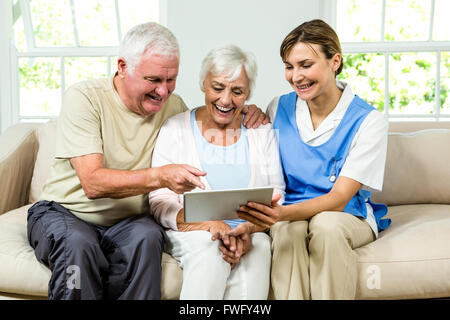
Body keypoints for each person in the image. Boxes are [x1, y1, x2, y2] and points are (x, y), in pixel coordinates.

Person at [26, 22, 268, 300]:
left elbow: (212, 113)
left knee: (148, 237)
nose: (163, 91)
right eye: (153, 80)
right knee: (78, 246)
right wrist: (161, 175)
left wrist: (248, 111)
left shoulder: (172, 107)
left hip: (130, 221)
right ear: (122, 66)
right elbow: (92, 182)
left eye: (171, 80)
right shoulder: (85, 98)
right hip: (66, 213)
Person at [236, 19, 391, 300]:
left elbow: (339, 199)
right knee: (287, 233)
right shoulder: (278, 107)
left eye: (306, 65)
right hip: (289, 214)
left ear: (335, 61)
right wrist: (251, 114)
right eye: (289, 66)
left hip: (345, 215)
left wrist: (278, 214)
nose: (296, 76)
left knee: (326, 226)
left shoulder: (369, 121)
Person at [149, 44, 285, 300]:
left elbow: (277, 192)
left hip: (246, 231)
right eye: (218, 88)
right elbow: (158, 201)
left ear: (248, 94)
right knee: (209, 247)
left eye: (237, 91)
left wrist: (249, 228)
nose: (225, 100)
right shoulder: (175, 129)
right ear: (203, 84)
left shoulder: (261, 130)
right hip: (193, 232)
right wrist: (209, 226)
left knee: (261, 247)